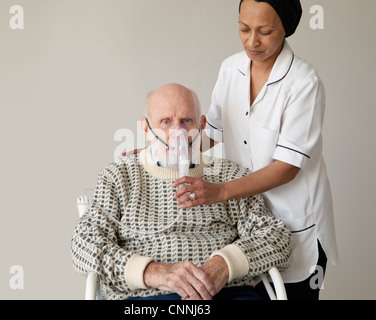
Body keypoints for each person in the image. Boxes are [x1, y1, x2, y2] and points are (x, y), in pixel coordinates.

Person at [172, 0, 338, 300]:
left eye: (265, 31)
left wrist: (220, 191)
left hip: (295, 222)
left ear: (286, 28)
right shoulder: (230, 68)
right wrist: (163, 153)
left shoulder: (303, 82)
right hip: (248, 225)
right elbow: (212, 132)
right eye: (244, 28)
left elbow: (287, 166)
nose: (252, 41)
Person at [71, 83, 292, 300]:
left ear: (202, 124)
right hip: (147, 297)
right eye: (166, 122)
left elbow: (277, 237)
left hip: (228, 293)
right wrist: (153, 272)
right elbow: (84, 244)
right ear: (146, 129)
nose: (179, 132)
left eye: (187, 121)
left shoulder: (230, 176)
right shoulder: (120, 177)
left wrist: (223, 265)